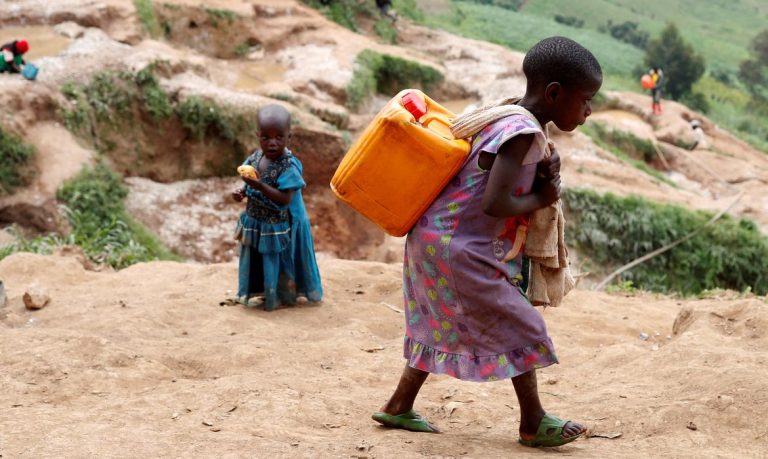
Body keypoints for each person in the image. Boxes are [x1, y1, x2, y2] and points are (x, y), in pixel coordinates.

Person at [372, 36, 602, 448]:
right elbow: (497, 203)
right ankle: (533, 422)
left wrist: (544, 169)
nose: (589, 110)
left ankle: (398, 404)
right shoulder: (521, 133)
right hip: (459, 250)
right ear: (554, 93)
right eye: (585, 99)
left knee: (436, 323)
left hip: (434, 238)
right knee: (521, 323)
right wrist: (543, 197)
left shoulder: (509, 113)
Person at [232, 104, 323, 311]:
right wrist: (242, 191)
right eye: (266, 137)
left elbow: (285, 199)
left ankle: (281, 296)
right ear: (258, 135)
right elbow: (249, 180)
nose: (272, 143)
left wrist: (259, 186)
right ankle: (263, 291)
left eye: (279, 137)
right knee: (259, 257)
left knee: (280, 260)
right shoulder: (255, 158)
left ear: (288, 136)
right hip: (258, 221)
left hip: (282, 224)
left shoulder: (289, 166)